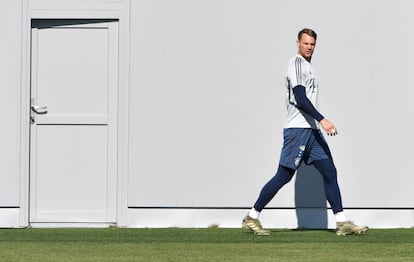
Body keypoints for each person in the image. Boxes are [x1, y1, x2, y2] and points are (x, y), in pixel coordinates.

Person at [242, 28, 368, 236]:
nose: (309, 47)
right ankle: (252, 217)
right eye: (306, 43)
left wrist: (317, 123)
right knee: (284, 175)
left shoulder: (308, 66)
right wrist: (323, 119)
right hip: (298, 130)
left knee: (330, 171)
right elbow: (300, 99)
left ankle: (342, 222)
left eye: (312, 44)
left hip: (311, 131)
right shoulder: (297, 64)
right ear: (298, 43)